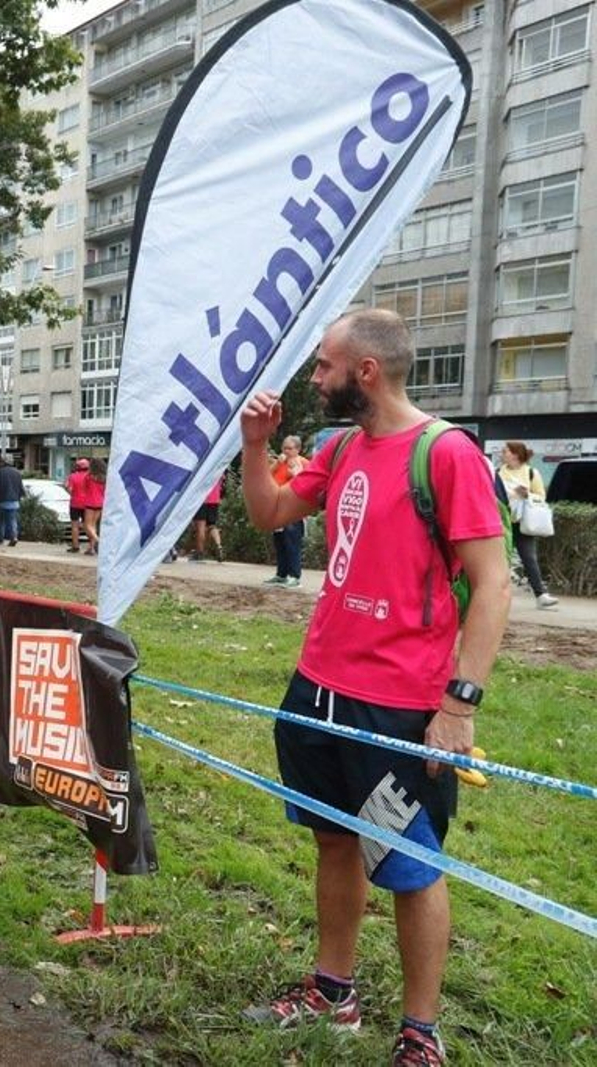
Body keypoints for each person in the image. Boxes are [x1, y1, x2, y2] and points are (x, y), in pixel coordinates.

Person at [238, 309, 510, 1067]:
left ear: (363, 372)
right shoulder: (339, 447)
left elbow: (493, 585)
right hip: (317, 686)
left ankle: (421, 1033)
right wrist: (255, 448)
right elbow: (269, 514)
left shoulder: (445, 453)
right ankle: (334, 989)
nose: (314, 379)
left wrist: (458, 706)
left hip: (396, 703)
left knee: (408, 863)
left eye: (323, 367)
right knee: (335, 837)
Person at [496, 441, 558, 609]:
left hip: (524, 522)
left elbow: (540, 496)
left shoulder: (531, 473)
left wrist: (526, 494)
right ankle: (497, 595)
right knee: (500, 560)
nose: (502, 454)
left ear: (515, 454)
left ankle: (541, 595)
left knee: (529, 558)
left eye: (505, 451)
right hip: (503, 522)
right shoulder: (498, 473)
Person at [264, 436, 308, 588]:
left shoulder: (302, 463)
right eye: (284, 448)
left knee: (292, 542)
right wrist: (277, 463)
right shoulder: (279, 463)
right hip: (277, 508)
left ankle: (294, 576)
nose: (286, 451)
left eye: (289, 448)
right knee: (280, 542)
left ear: (297, 449)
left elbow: (307, 484)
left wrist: (295, 472)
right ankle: (281, 574)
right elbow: (266, 477)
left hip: (293, 509)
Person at [0, 454, 23, 546]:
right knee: (12, 520)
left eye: (1, 461)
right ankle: (14, 537)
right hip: (14, 501)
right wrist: (19, 498)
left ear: (4, 462)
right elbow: (20, 487)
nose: (0, 463)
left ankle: (0, 539)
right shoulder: (17, 472)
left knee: (1, 521)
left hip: (2, 500)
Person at [190, 475, 226, 562]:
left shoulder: (205, 468)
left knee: (200, 526)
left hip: (202, 499)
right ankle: (219, 546)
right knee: (212, 525)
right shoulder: (219, 469)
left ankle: (199, 553)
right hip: (215, 500)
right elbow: (223, 483)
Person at [78, 457, 107, 554]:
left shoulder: (88, 477)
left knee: (87, 525)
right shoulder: (104, 478)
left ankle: (99, 541)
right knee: (93, 525)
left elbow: (85, 488)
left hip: (90, 502)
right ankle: (92, 548)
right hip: (100, 502)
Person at [65, 457, 91, 553]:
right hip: (88, 504)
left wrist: (72, 493)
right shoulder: (90, 476)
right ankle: (91, 546)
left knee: (75, 525)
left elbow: (69, 489)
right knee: (88, 526)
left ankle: (75, 546)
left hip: (75, 503)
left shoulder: (72, 476)